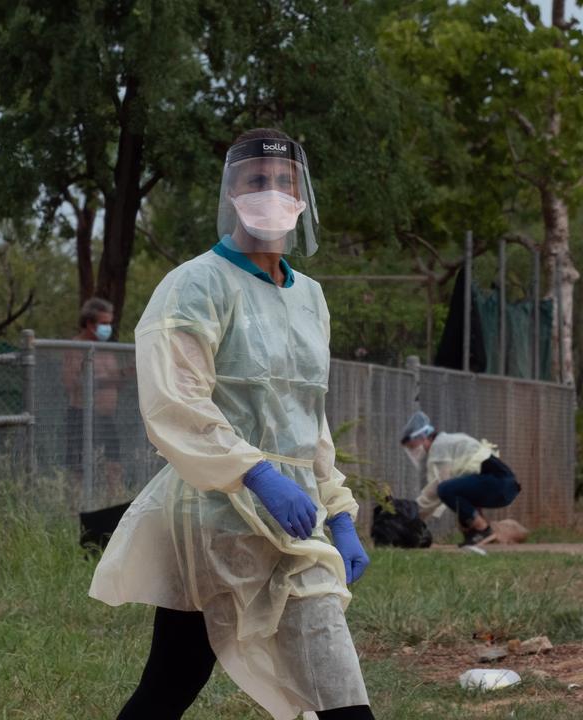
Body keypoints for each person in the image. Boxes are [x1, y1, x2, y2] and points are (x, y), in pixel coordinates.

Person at [90, 128, 375, 720]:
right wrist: (255, 474)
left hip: (294, 523)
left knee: (337, 686)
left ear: (302, 197)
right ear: (230, 193)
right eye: (255, 181)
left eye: (283, 182)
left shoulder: (311, 297)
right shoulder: (195, 285)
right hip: (214, 518)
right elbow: (176, 403)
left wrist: (340, 510)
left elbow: (308, 415)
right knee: (170, 685)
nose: (270, 192)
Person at [400, 411, 520, 547]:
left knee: (445, 489)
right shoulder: (449, 441)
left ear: (422, 436)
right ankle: (479, 534)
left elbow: (439, 487)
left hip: (498, 483)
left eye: (412, 446)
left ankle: (483, 530)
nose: (413, 450)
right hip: (505, 485)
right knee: (457, 495)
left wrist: (413, 514)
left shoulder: (439, 446)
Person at [62, 298, 129, 501]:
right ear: (90, 324)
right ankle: (75, 514)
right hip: (81, 415)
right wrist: (103, 380)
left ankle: (113, 510)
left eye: (110, 323)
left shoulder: (107, 349)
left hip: (106, 418)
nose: (108, 328)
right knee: (78, 470)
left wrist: (126, 373)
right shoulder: (75, 347)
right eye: (104, 323)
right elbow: (69, 382)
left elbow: (117, 381)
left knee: (114, 465)